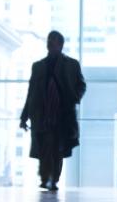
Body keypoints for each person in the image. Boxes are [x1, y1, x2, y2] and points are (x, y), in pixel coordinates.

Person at [20, 30, 86, 191]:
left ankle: (53, 178)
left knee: (57, 146)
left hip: (62, 113)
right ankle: (46, 178)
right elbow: (31, 92)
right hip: (42, 113)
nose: (49, 44)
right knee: (45, 145)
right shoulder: (38, 66)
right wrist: (25, 116)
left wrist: (74, 97)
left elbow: (81, 85)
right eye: (49, 41)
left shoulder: (71, 65)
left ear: (60, 45)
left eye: (53, 41)